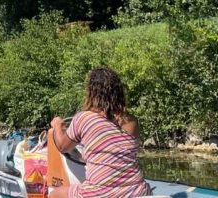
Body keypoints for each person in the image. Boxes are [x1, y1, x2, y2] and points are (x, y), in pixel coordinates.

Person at [47, 67, 152, 198]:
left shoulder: (84, 118)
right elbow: (116, 151)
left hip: (100, 193)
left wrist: (57, 124)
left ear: (92, 92)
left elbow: (63, 145)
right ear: (119, 92)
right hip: (137, 191)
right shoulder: (132, 121)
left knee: (54, 194)